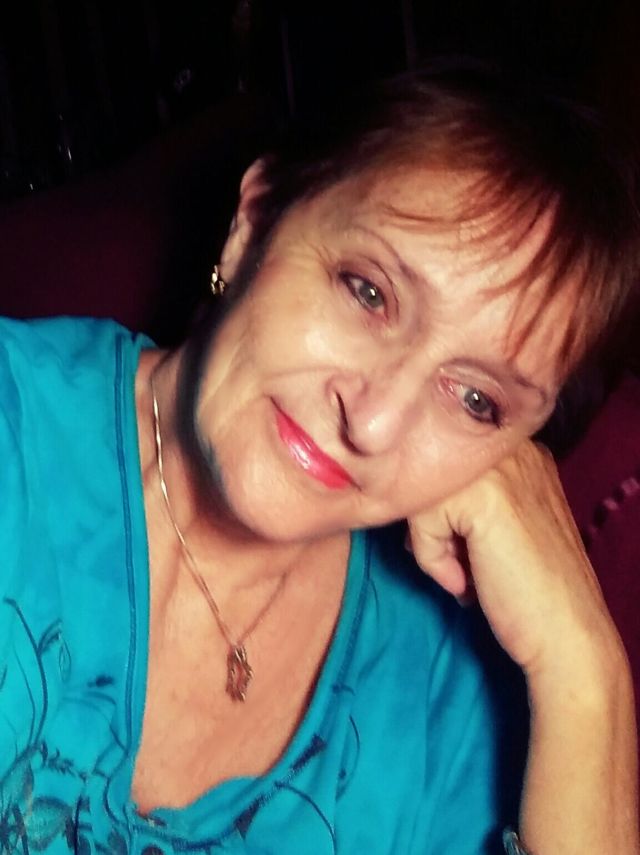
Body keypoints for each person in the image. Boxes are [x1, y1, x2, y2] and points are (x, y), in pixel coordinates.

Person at [0, 62, 638, 855]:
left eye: (476, 399)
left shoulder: (454, 699)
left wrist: (587, 678)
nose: (373, 420)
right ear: (254, 223)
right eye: (367, 291)